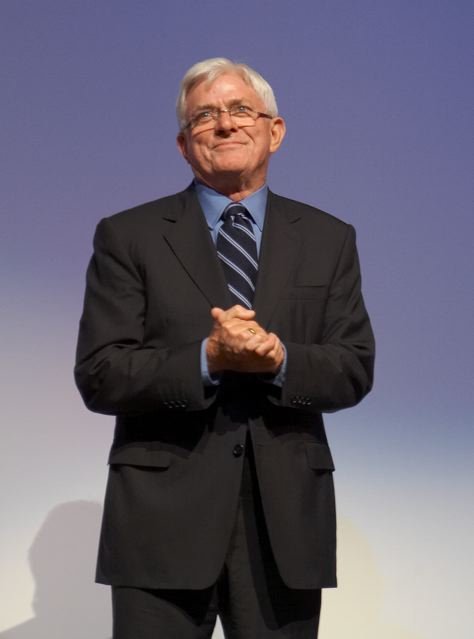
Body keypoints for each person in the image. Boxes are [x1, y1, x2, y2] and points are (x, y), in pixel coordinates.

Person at [75, 57, 375, 639]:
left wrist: (279, 359)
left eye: (241, 110)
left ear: (274, 131)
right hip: (159, 523)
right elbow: (100, 372)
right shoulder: (128, 235)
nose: (225, 124)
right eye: (205, 116)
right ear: (185, 145)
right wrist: (206, 360)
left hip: (284, 526)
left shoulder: (328, 238)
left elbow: (353, 367)